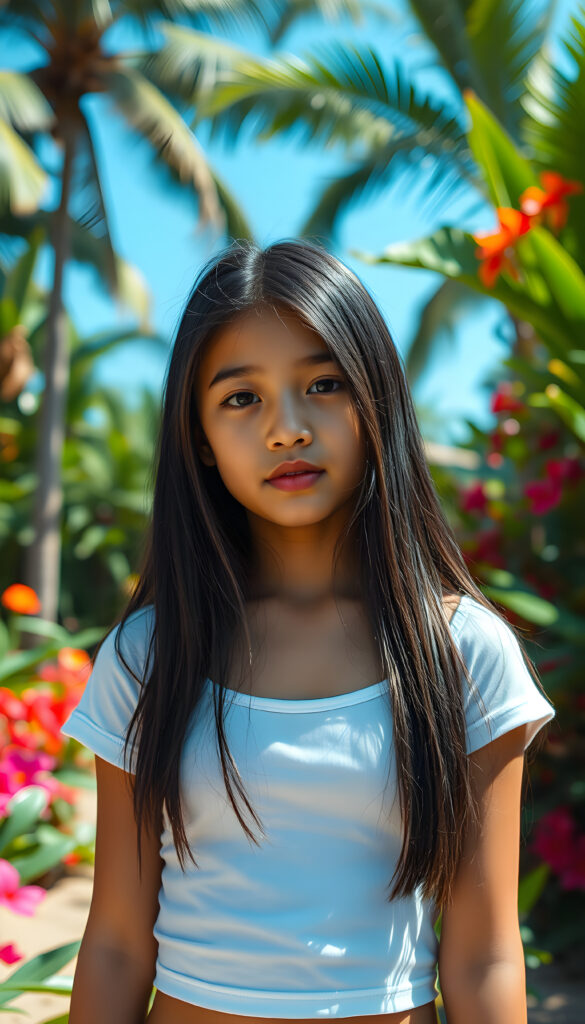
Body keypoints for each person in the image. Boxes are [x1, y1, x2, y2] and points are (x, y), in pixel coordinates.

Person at [60, 238, 555, 1024]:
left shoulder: (463, 655)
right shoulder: (149, 656)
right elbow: (118, 940)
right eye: (240, 398)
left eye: (322, 384)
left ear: (375, 401)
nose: (287, 428)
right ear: (199, 440)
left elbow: (484, 953)